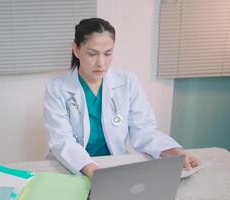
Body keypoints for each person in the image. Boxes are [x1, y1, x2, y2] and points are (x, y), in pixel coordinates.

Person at [43, 18, 199, 179]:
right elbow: (62, 141)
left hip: (113, 166)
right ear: (76, 50)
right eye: (92, 54)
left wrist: (176, 153)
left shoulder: (127, 82)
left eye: (108, 53)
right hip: (73, 168)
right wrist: (94, 172)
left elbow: (144, 130)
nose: (101, 63)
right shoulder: (57, 88)